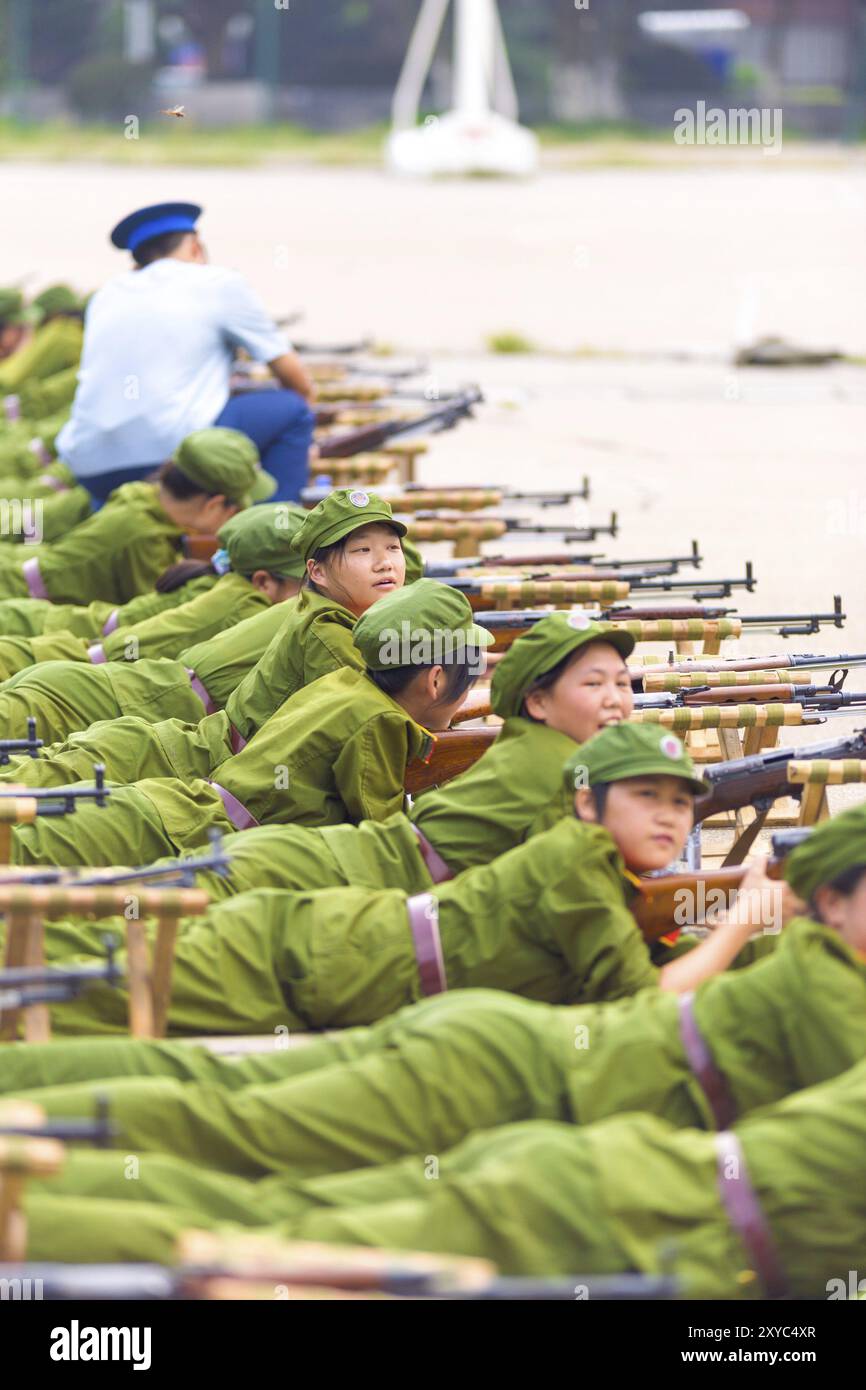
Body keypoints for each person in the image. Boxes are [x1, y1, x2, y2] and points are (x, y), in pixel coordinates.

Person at [8, 724, 785, 1031]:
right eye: (645, 797)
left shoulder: (588, 863)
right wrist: (745, 917)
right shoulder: (577, 860)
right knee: (69, 986)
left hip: (323, 957)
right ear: (585, 801)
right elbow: (640, 1003)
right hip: (299, 962)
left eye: (684, 806)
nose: (669, 820)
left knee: (65, 977)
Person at [9, 579, 491, 868]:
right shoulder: (381, 721)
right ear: (434, 680)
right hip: (178, 830)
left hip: (173, 807)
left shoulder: (345, 683)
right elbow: (383, 836)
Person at [0, 491, 413, 784]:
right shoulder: (318, 628)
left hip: (111, 704)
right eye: (362, 552)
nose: (384, 564)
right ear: (313, 574)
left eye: (393, 549)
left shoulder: (302, 611)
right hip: (95, 705)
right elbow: (383, 721)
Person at [53, 202, 316, 503]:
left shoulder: (106, 295)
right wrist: (309, 438)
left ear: (137, 261)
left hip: (90, 467)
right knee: (293, 410)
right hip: (175, 460)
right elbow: (296, 378)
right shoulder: (218, 283)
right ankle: (271, 535)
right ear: (195, 246)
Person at [0, 501, 306, 682]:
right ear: (263, 582)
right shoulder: (243, 606)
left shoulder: (220, 583)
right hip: (52, 648)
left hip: (59, 645)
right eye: (306, 584)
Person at [0, 427, 274, 606]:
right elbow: (158, 612)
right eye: (236, 510)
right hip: (12, 593)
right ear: (214, 505)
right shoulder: (145, 537)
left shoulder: (141, 497)